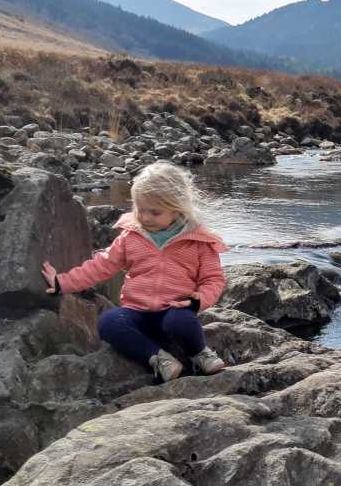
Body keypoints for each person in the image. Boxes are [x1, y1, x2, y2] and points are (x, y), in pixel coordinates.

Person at [41, 162, 228, 382]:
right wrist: (62, 282)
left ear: (177, 208)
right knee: (108, 322)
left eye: (155, 212)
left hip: (175, 311)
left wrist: (197, 301)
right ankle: (158, 358)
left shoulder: (199, 241)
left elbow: (213, 280)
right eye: (140, 210)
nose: (146, 217)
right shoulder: (130, 237)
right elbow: (100, 266)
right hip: (137, 312)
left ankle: (198, 352)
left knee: (180, 323)